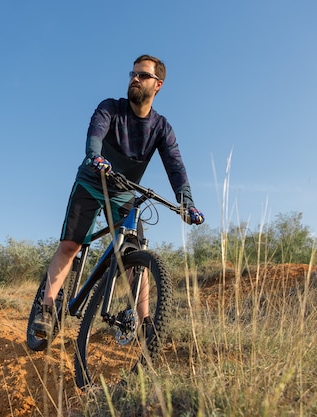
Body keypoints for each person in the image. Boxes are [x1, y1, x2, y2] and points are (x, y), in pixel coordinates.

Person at [32, 54, 204, 337]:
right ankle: (46, 307)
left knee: (136, 256)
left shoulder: (161, 128)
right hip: (91, 182)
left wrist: (187, 202)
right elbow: (96, 133)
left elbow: (175, 165)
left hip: (124, 194)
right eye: (133, 74)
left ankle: (146, 323)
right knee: (70, 245)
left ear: (157, 84)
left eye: (142, 75)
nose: (135, 78)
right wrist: (95, 156)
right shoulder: (110, 108)